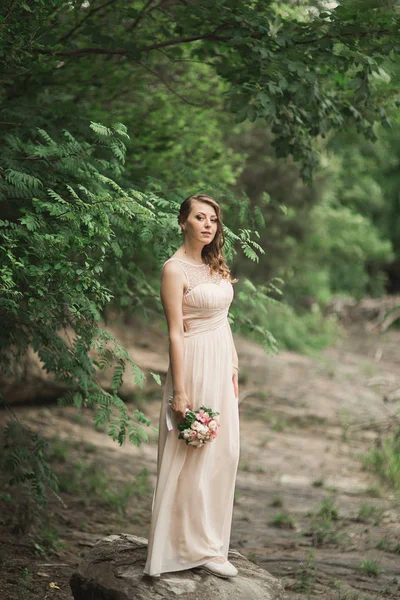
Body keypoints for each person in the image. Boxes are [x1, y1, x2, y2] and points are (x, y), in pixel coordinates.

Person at [143, 193, 240, 579]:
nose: (207, 225)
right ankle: (191, 548)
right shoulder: (174, 269)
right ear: (182, 221)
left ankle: (213, 541)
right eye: (199, 217)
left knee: (226, 452)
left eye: (213, 220)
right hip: (194, 363)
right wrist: (179, 391)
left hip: (221, 365)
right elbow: (175, 334)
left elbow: (224, 318)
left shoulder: (215, 266)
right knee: (193, 453)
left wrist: (233, 365)